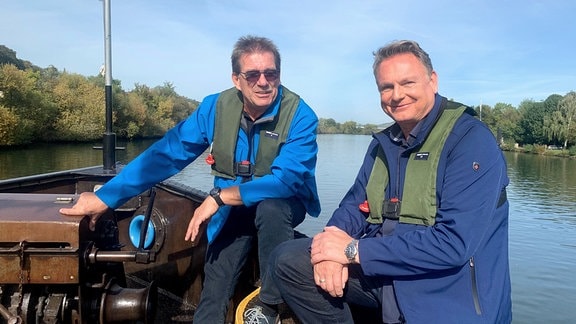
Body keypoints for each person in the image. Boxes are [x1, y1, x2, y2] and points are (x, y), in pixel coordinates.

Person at [59, 35, 321, 324]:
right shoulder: (214, 108)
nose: (263, 82)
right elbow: (167, 154)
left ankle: (272, 303)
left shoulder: (301, 116)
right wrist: (105, 197)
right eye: (253, 74)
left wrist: (218, 198)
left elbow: (286, 182)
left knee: (271, 207)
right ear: (236, 79)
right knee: (216, 282)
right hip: (233, 208)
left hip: (282, 205)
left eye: (271, 73)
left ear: (279, 75)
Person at [268, 40, 512, 323]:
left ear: (432, 81)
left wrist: (351, 250)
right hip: (388, 273)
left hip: (445, 293)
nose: (397, 95)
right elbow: (354, 205)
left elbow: (453, 244)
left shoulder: (471, 141)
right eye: (387, 87)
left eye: (407, 83)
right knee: (289, 259)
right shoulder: (384, 144)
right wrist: (327, 250)